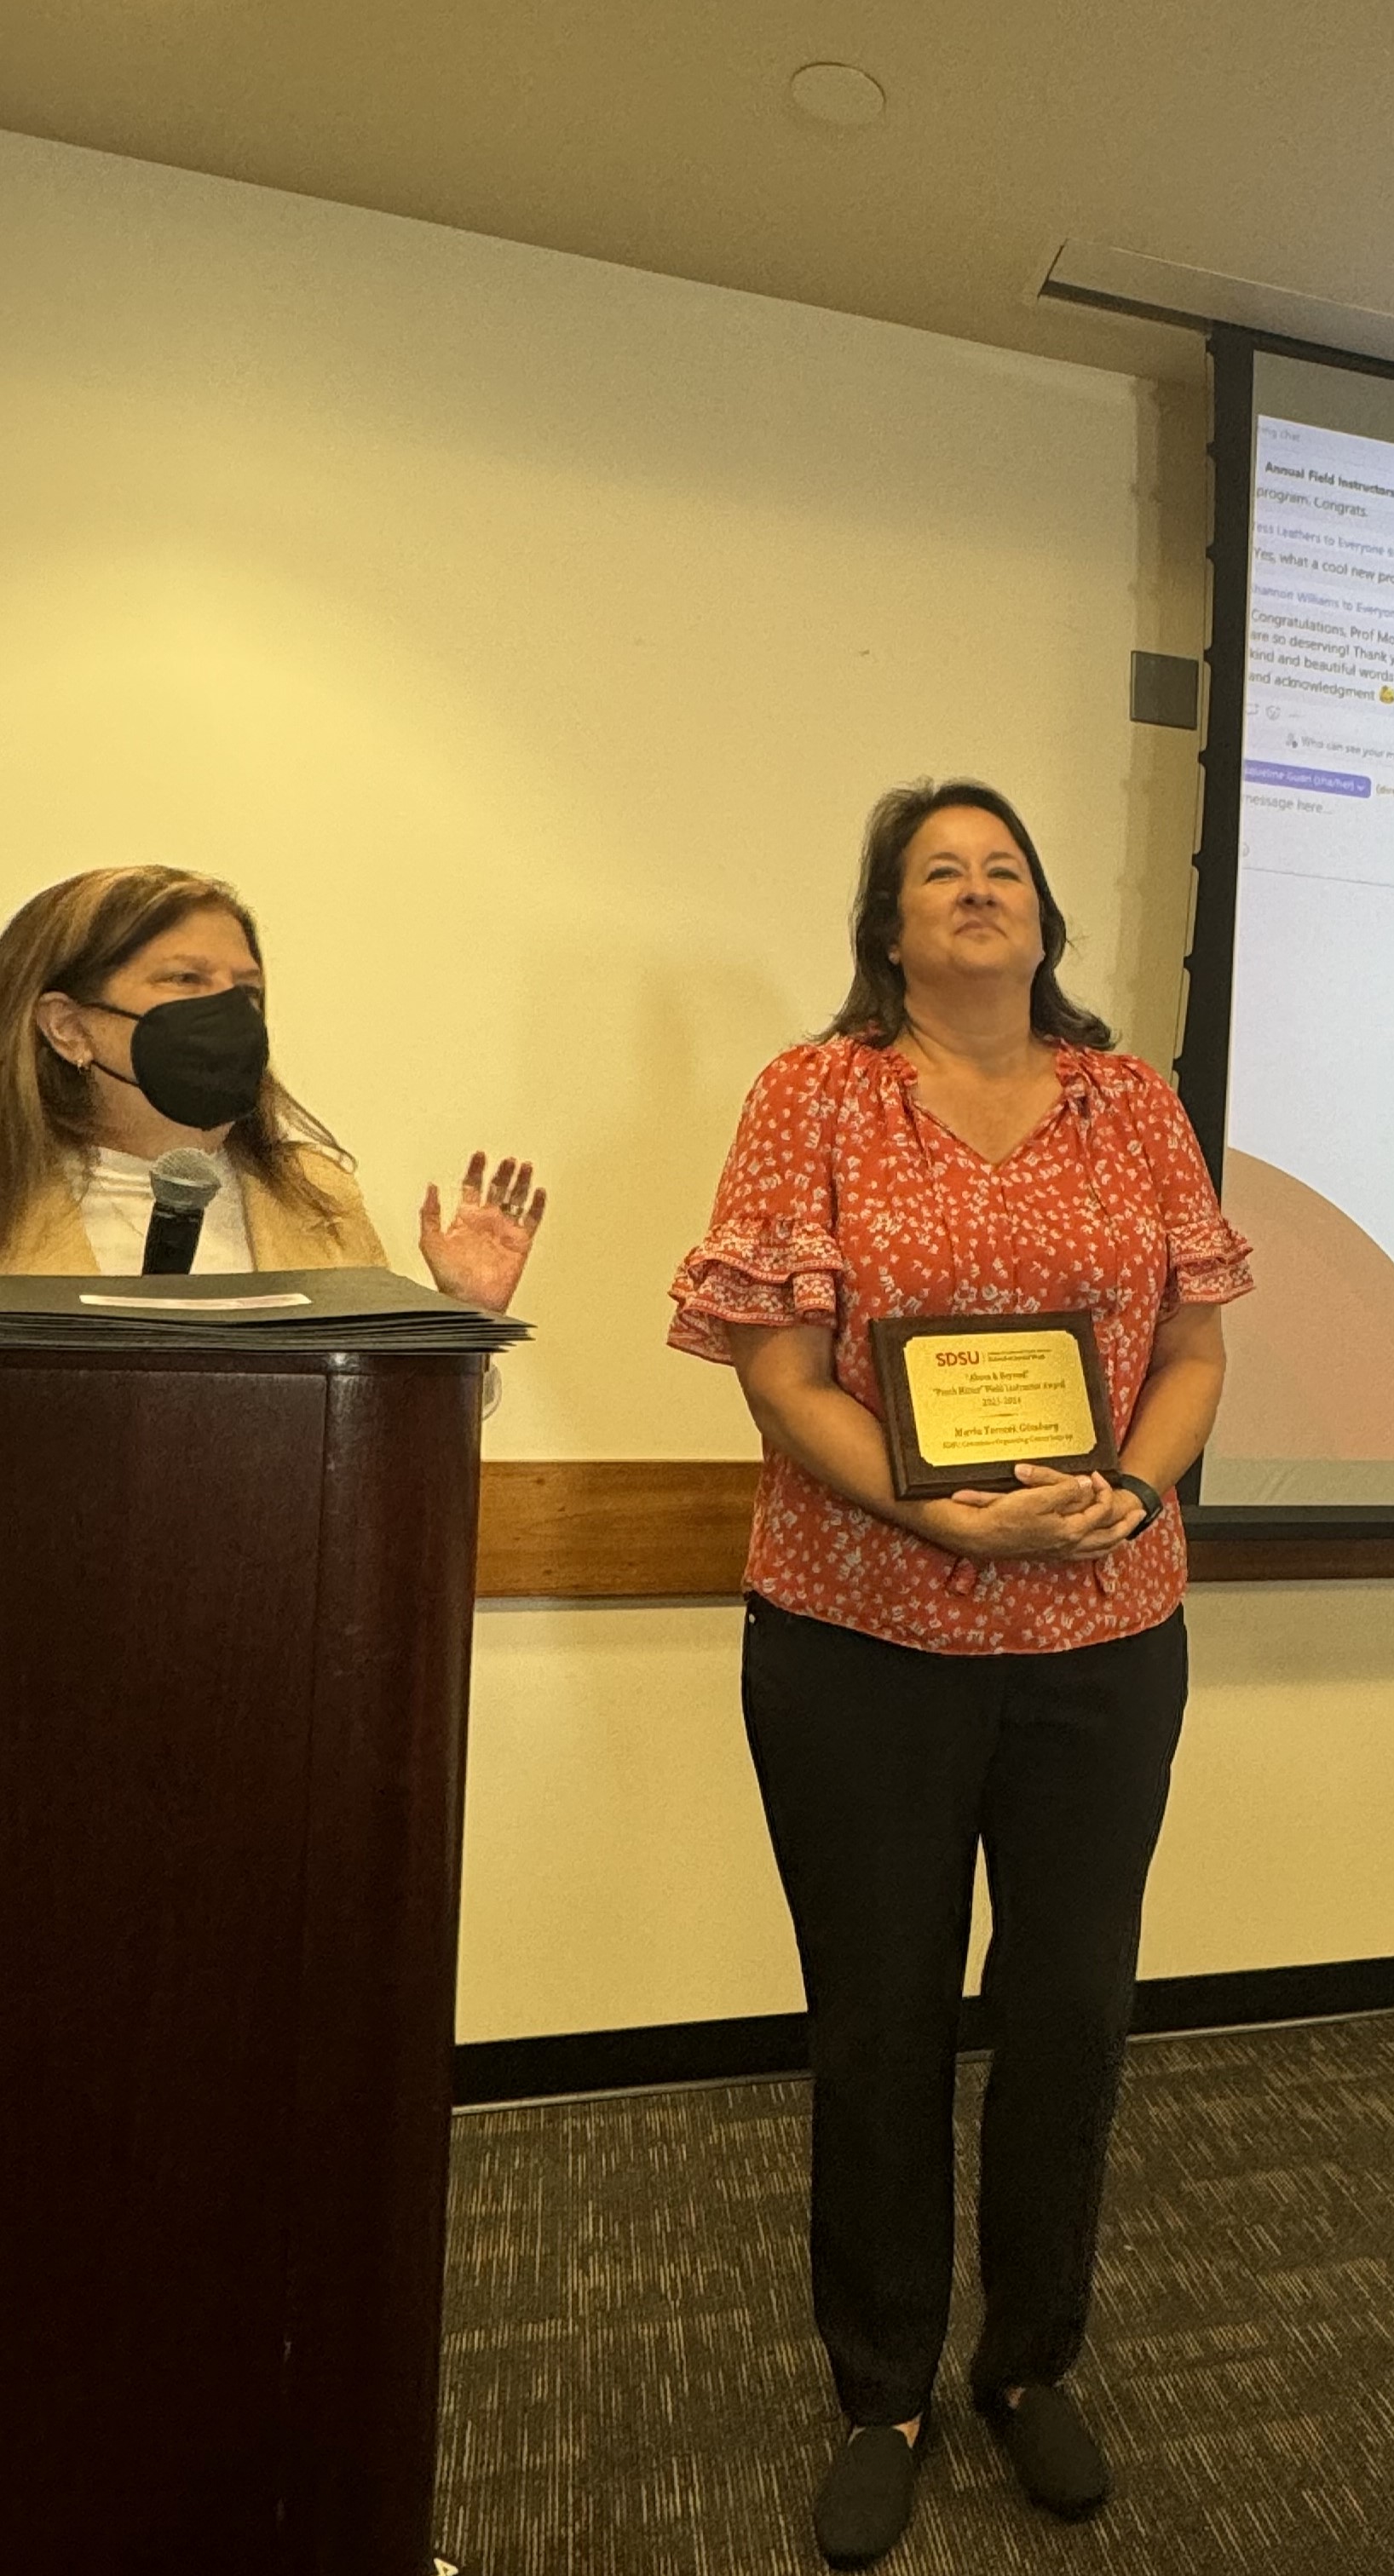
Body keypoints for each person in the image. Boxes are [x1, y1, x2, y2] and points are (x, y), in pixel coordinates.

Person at [668, 778, 1250, 2568]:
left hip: (1102, 1634)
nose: (979, 891)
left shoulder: (1130, 1100)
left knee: (1072, 2011)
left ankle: (1028, 2365)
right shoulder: (814, 1093)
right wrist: (939, 1523)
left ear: (1045, 917)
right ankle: (884, 2387)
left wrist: (1134, 1485)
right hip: (861, 1641)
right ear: (890, 922)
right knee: (882, 2020)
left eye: (1006, 870)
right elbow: (779, 1375)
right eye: (943, 872)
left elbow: (1196, 1344)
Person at [0, 865, 544, 1308]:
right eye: (186, 979)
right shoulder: (14, 1201)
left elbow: (375, 1417)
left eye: (247, 990)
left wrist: (466, 1316)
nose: (229, 1011)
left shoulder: (319, 1198)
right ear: (69, 1028)